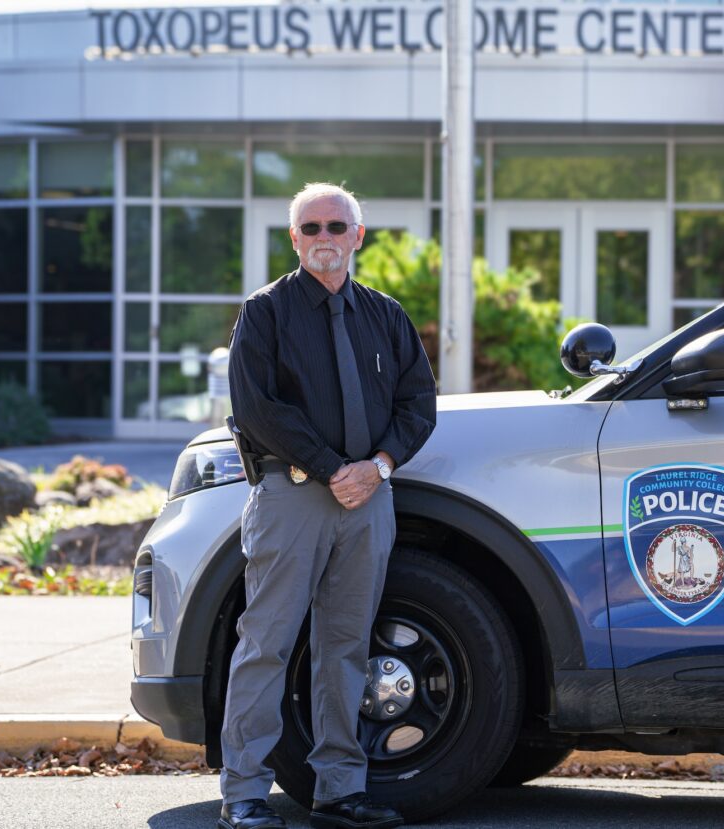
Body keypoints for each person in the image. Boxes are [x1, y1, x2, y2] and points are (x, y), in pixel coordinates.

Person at [219, 183, 437, 829]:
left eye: (335, 226)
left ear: (357, 235)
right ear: (293, 238)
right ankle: (244, 793)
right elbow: (258, 407)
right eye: (309, 226)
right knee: (267, 643)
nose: (323, 237)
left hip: (369, 499)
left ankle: (339, 790)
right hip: (292, 496)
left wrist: (378, 467)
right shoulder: (265, 312)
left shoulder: (386, 316)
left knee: (345, 647)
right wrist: (331, 467)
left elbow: (416, 405)